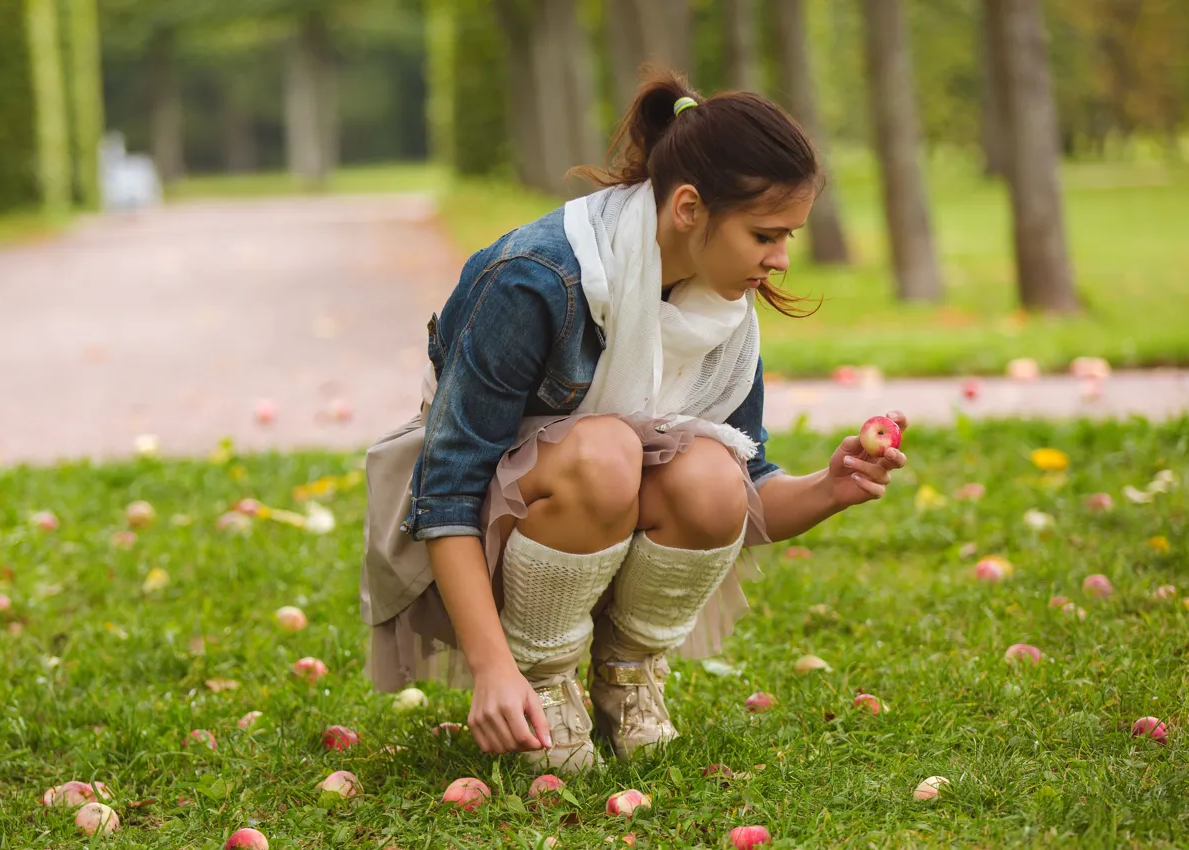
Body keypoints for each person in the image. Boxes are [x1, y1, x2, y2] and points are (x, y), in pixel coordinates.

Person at [360, 69, 908, 774]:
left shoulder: (720, 303)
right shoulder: (537, 278)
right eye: (766, 235)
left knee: (716, 470)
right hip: (482, 535)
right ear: (687, 207)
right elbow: (448, 490)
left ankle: (628, 679)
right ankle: (540, 681)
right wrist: (493, 667)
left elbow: (744, 491)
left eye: (789, 235)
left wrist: (830, 487)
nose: (781, 260)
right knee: (609, 452)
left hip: (595, 525)